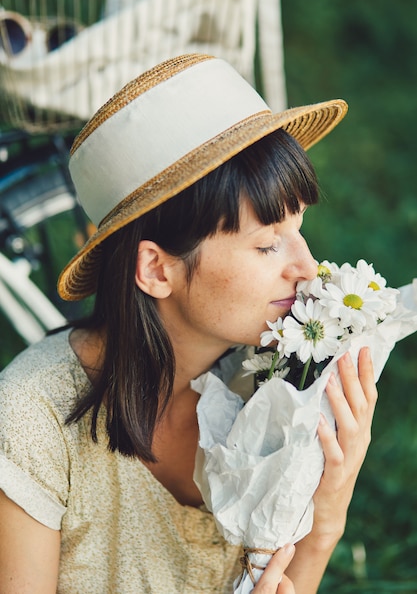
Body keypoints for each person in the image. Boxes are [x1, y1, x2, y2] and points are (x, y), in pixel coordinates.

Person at [0, 53, 376, 593]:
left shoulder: (273, 384)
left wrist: (326, 514)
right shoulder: (32, 418)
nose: (308, 268)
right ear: (156, 269)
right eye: (268, 244)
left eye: (298, 229)